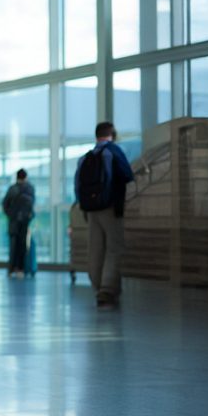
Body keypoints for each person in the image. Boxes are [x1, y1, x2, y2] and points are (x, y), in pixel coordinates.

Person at [75, 121, 135, 309]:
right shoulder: (113, 151)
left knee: (95, 249)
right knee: (114, 248)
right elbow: (127, 175)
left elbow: (77, 186)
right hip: (111, 207)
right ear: (113, 135)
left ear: (97, 136)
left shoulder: (85, 157)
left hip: (91, 210)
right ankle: (107, 290)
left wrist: (85, 206)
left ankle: (97, 286)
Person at [2, 169, 35, 277]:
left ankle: (11, 269)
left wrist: (10, 215)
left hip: (13, 221)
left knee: (13, 246)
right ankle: (21, 269)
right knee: (22, 246)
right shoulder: (29, 189)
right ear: (25, 177)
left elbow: (5, 204)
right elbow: (31, 205)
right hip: (24, 221)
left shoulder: (12, 189)